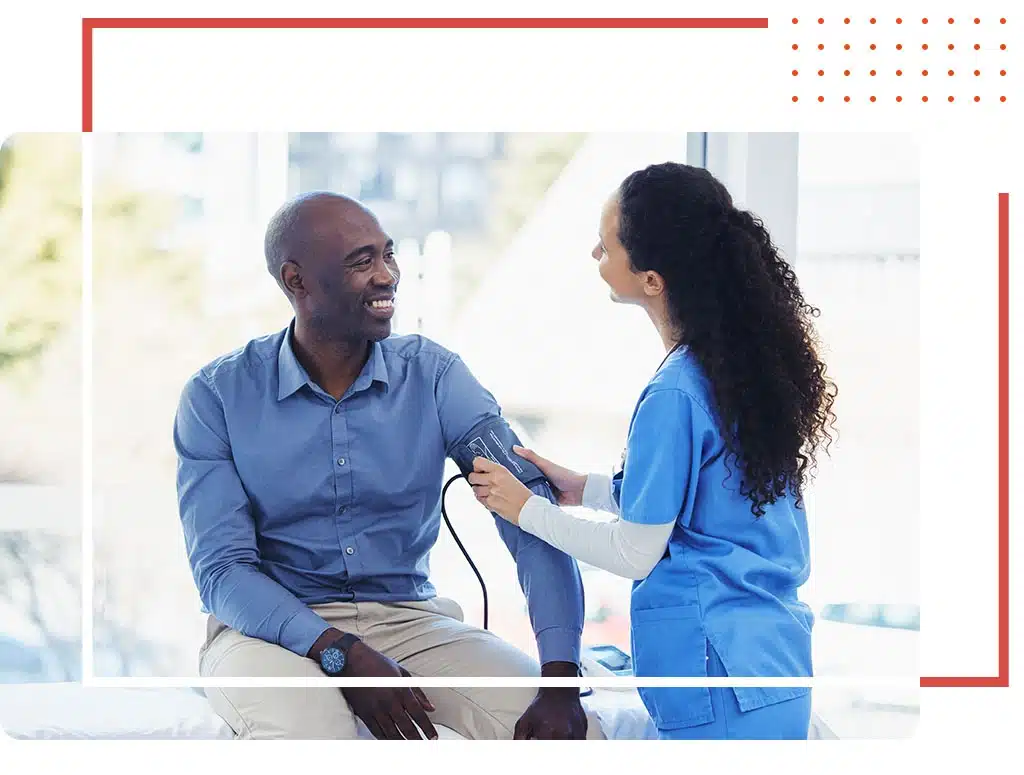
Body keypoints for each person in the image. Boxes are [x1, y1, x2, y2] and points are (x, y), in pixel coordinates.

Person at [172, 191, 602, 741]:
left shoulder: (437, 377)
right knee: (316, 738)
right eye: (361, 262)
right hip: (267, 633)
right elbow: (222, 570)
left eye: (387, 255)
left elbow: (532, 519)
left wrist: (560, 676)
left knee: (574, 739)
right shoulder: (217, 396)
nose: (387, 276)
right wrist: (338, 653)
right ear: (296, 281)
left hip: (410, 621)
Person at [468, 161, 838, 740]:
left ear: (652, 279)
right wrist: (583, 488)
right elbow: (707, 506)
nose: (595, 253)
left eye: (608, 242)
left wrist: (526, 510)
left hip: (717, 682)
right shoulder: (738, 376)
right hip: (771, 670)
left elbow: (635, 551)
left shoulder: (674, 393)